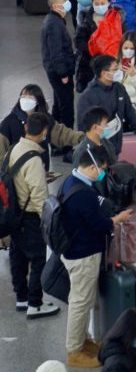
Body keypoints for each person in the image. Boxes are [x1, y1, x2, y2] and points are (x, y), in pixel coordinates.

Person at [57, 142, 132, 368]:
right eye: (101, 169)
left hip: (73, 251)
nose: (102, 173)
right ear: (91, 167)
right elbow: (100, 224)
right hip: (83, 255)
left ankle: (83, 341)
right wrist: (118, 219)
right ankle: (74, 351)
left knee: (84, 299)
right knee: (80, 302)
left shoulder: (69, 181)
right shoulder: (84, 195)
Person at [5, 108, 64, 318]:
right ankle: (35, 303)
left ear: (26, 127)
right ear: (44, 132)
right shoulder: (34, 160)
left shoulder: (14, 149)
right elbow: (39, 197)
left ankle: (21, 297)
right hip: (28, 217)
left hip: (13, 214)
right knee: (38, 258)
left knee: (17, 256)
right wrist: (48, 222)